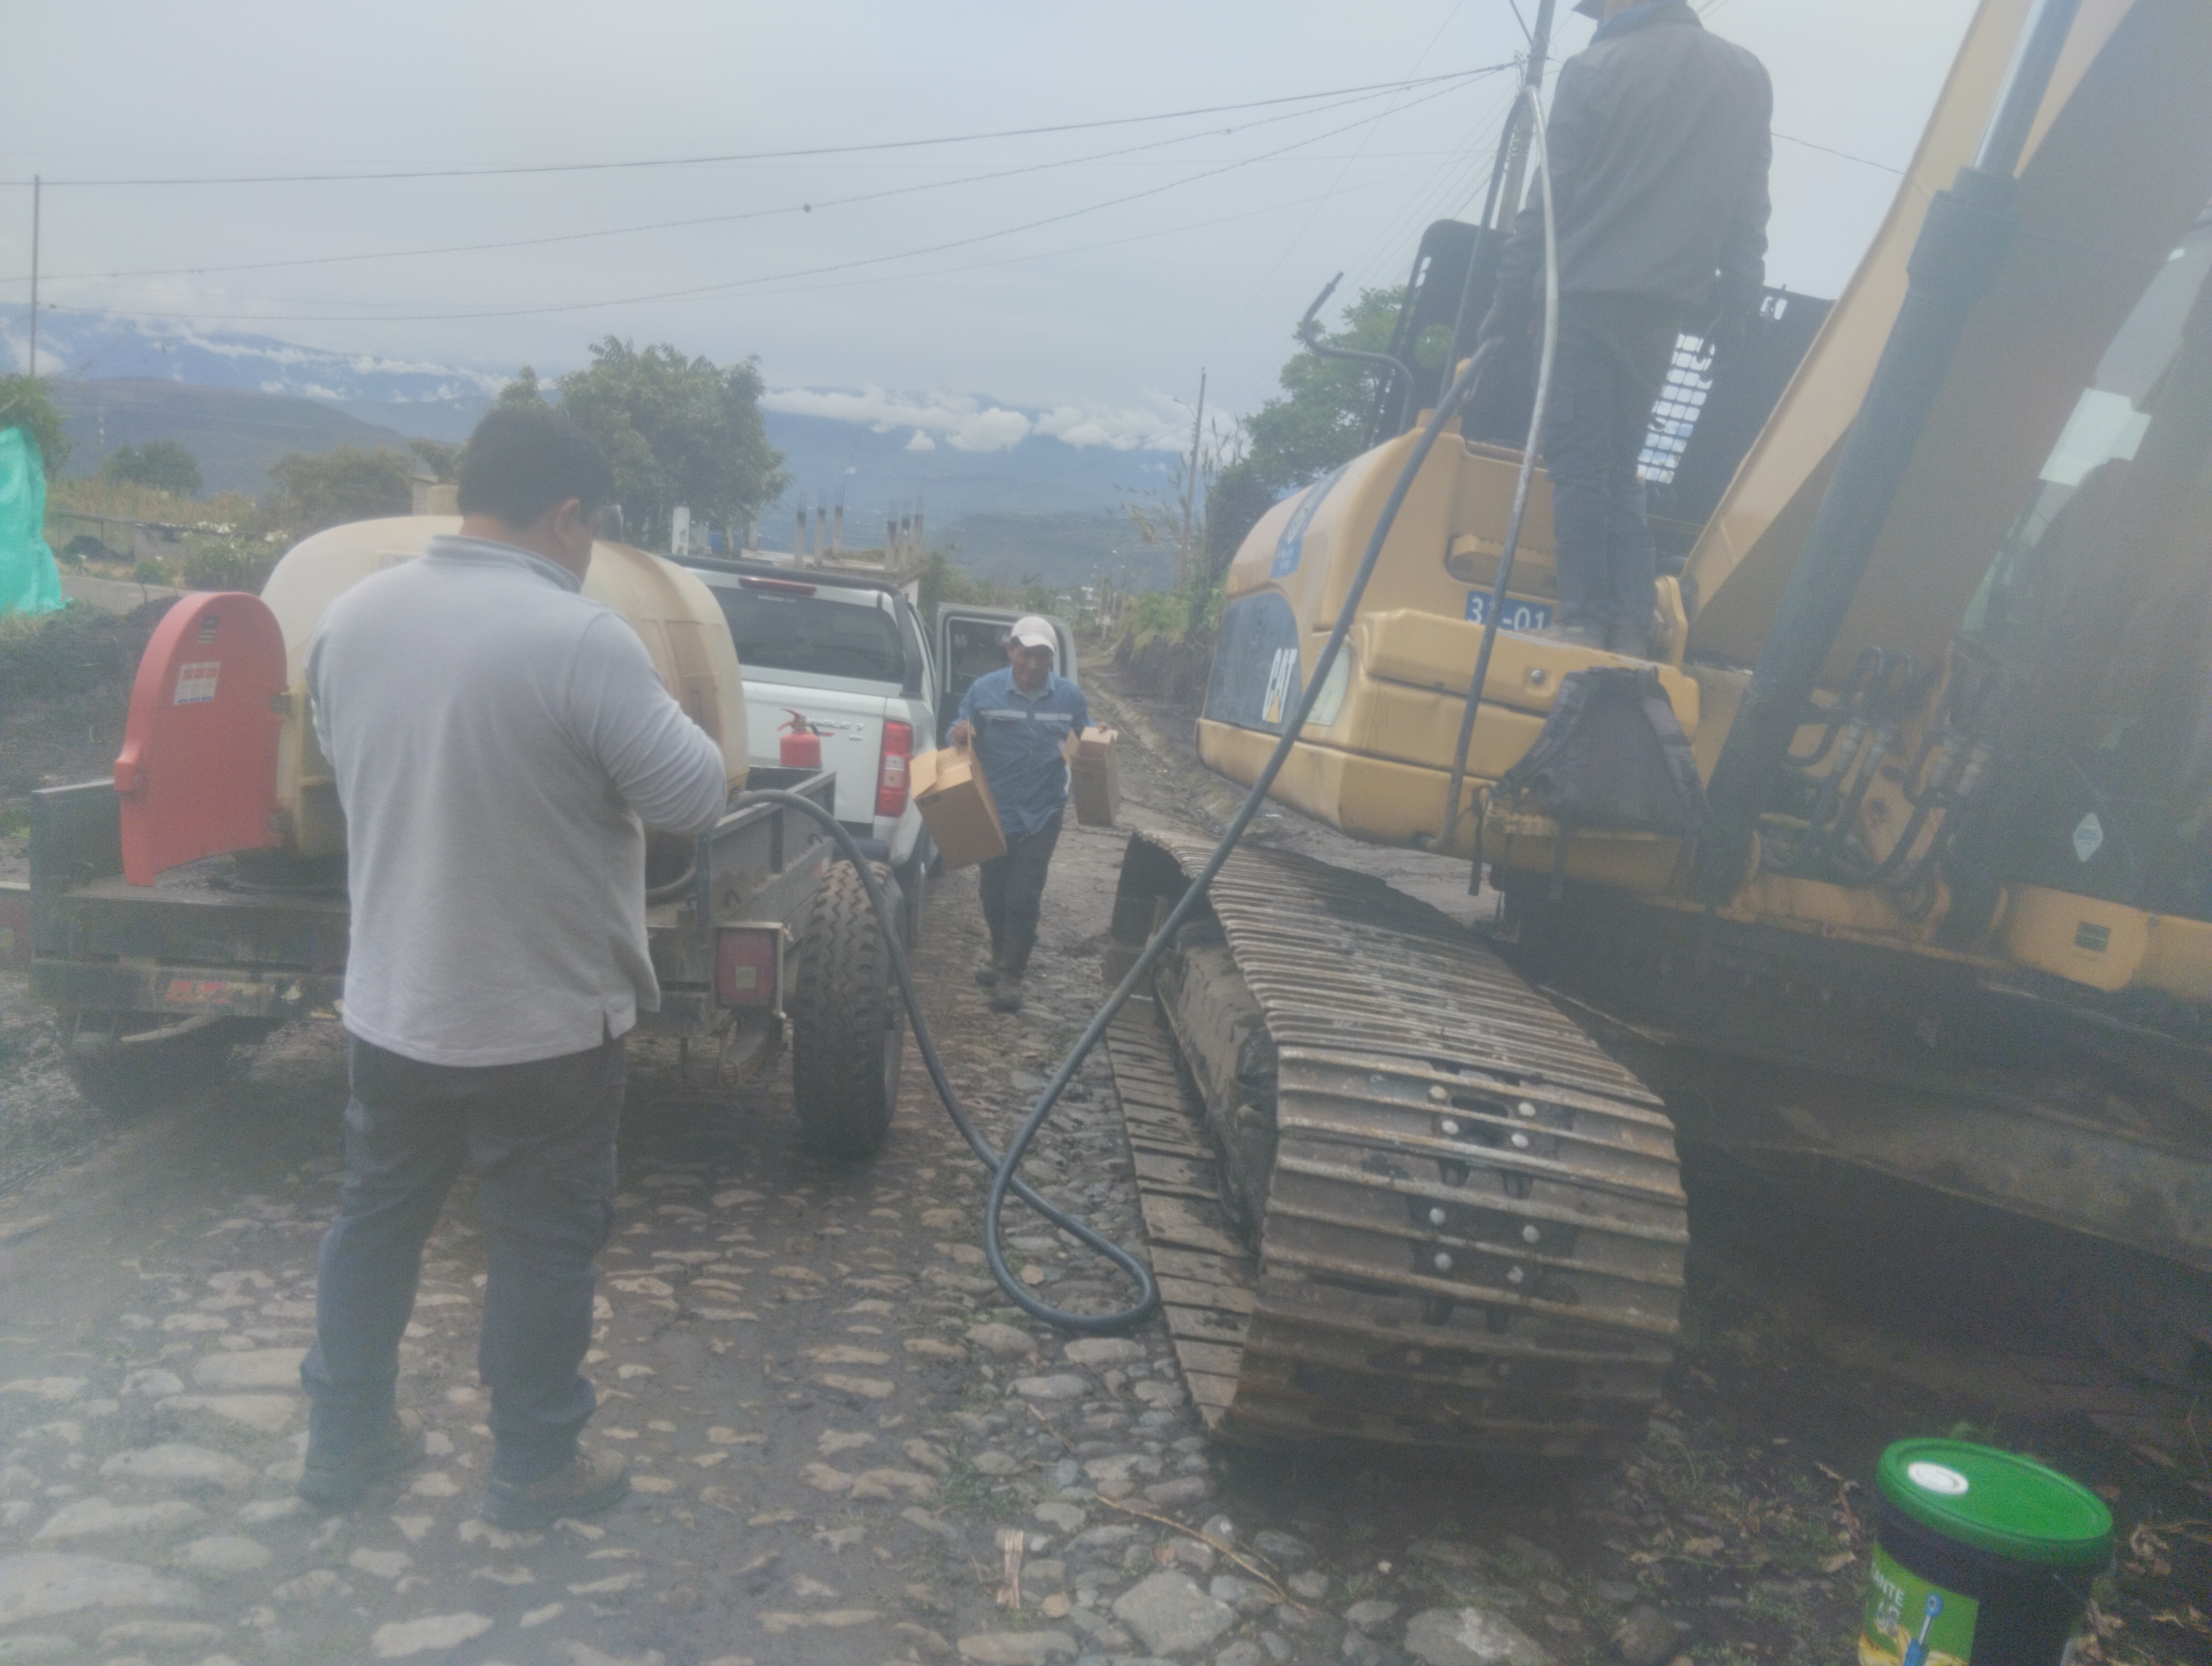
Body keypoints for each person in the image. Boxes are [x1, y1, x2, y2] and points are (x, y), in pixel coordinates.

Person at [298, 406, 729, 1527]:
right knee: (541, 1244)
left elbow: (347, 760)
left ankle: (344, 1439)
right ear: (567, 515)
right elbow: (694, 795)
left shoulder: (351, 618)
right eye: (594, 529)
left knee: (374, 1222)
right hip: (544, 1025)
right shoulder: (579, 639)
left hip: (393, 1007)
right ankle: (535, 1465)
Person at [1481, 0, 1772, 658]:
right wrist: (1740, 306)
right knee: (1619, 468)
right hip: (1663, 312)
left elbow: (1546, 205)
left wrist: (1506, 303)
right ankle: (1630, 628)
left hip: (1582, 301)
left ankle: (1583, 621)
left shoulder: (1594, 70)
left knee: (1582, 464)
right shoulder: (1747, 76)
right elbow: (1748, 211)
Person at [947, 616, 1088, 1016]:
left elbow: (1088, 735)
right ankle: (999, 956)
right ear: (1010, 651)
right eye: (1025, 654)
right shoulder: (984, 690)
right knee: (993, 892)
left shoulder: (1070, 698)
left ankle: (1011, 975)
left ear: (1051, 659)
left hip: (1043, 812)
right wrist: (958, 734)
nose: (1033, 664)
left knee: (1024, 895)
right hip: (993, 809)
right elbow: (959, 729)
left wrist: (1101, 735)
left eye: (1042, 656)